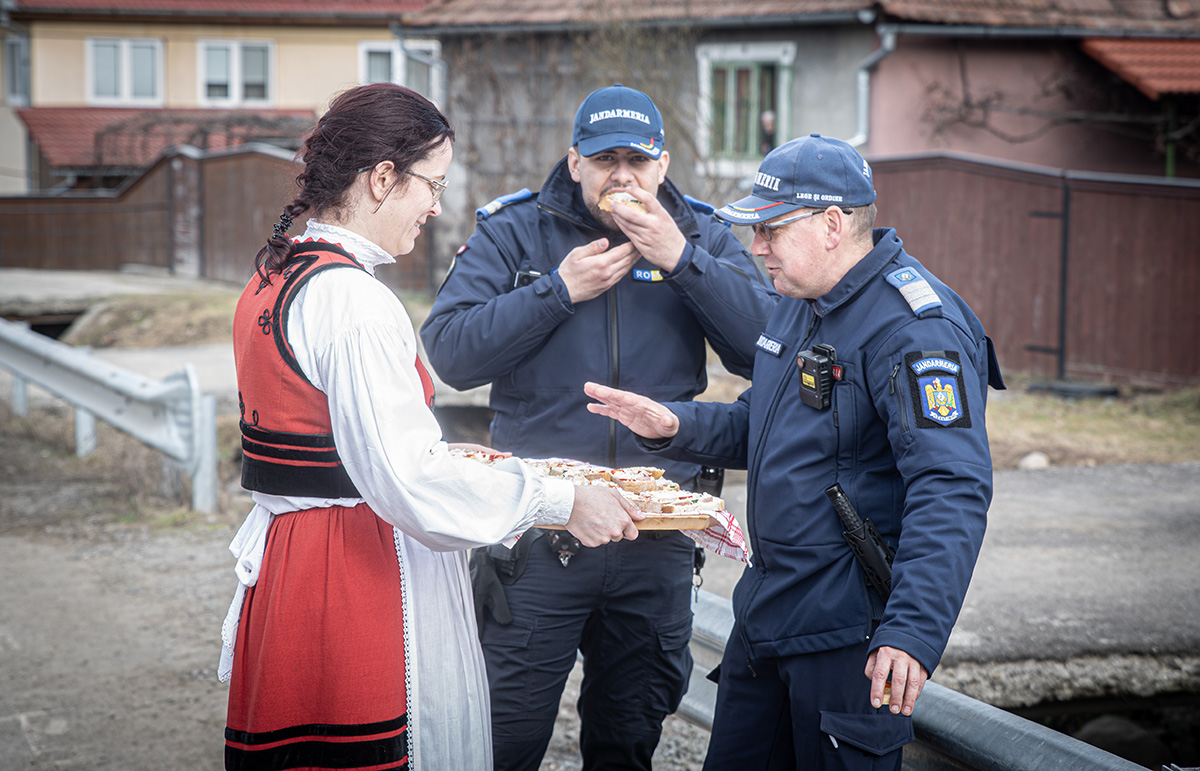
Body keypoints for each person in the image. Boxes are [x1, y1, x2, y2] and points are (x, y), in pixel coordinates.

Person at [218, 83, 643, 771]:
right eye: (431, 185)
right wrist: (556, 498)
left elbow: (336, 445)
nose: (436, 207)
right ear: (383, 177)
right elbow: (405, 480)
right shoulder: (355, 301)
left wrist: (450, 455)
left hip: (293, 565)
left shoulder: (274, 276)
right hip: (351, 574)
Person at [585, 133, 1005, 770]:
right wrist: (673, 424)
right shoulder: (800, 303)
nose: (756, 249)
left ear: (832, 225)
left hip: (846, 636)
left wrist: (912, 633)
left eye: (771, 230)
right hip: (770, 611)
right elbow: (765, 423)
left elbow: (951, 489)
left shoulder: (915, 329)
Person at [419, 84, 778, 769]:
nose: (622, 175)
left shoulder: (695, 233)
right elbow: (451, 354)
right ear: (574, 161)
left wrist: (684, 262)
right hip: (538, 538)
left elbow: (769, 349)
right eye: (604, 158)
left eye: (637, 161)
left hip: (655, 535)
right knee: (504, 736)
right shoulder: (515, 230)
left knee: (629, 734)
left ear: (662, 165)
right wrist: (556, 292)